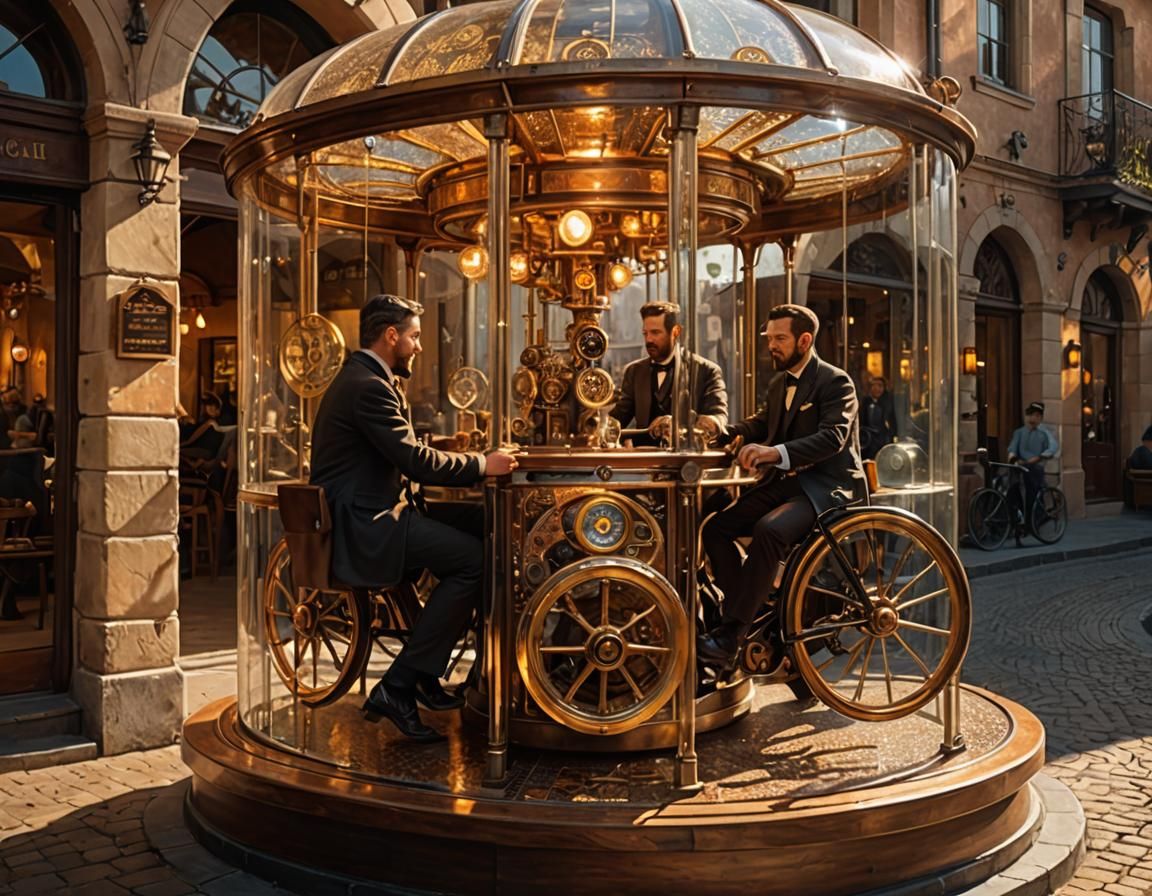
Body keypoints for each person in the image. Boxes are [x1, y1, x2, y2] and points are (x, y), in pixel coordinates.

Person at [310, 293, 517, 742]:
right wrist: (484, 464)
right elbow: (413, 463)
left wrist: (454, 451)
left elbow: (398, 451)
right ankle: (398, 687)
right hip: (364, 523)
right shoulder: (367, 387)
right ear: (391, 336)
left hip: (380, 509)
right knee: (475, 561)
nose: (419, 346)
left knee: (489, 526)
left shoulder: (366, 378)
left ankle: (426, 675)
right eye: (415, 336)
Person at [697, 304, 866, 672]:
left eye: (780, 339)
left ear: (804, 340)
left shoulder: (836, 382)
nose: (771, 345)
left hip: (827, 489)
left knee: (769, 530)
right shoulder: (779, 383)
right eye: (769, 338)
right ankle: (750, 607)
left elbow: (833, 438)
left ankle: (731, 635)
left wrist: (774, 452)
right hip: (791, 485)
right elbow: (761, 422)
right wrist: (721, 430)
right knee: (715, 527)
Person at [610, 301, 727, 446]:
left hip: (686, 461)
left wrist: (679, 423)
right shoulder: (634, 371)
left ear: (676, 332)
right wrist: (597, 423)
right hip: (642, 461)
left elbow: (718, 418)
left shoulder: (707, 371)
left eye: (655, 332)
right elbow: (619, 417)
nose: (649, 339)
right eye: (645, 333)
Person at [1006, 401, 1057, 510]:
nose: (1032, 418)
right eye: (1030, 415)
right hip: (1020, 465)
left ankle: (1031, 517)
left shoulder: (1043, 433)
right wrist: (1013, 459)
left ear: (1040, 418)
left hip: (1035, 467)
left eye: (1036, 416)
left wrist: (1040, 457)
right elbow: (1013, 448)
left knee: (1032, 489)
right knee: (1012, 487)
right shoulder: (1019, 432)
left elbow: (1052, 447)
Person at [859, 376, 897, 459]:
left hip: (882, 442)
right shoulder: (864, 403)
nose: (877, 388)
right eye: (874, 385)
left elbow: (892, 423)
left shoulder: (888, 404)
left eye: (880, 386)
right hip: (867, 442)